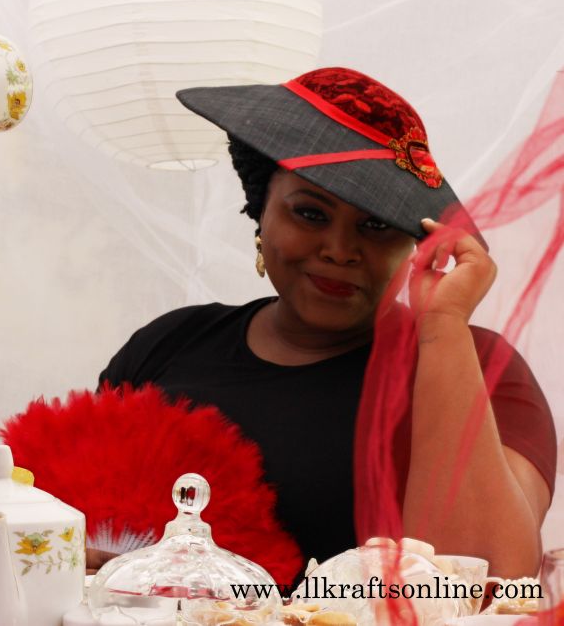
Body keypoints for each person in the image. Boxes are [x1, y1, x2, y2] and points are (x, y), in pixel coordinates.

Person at [94, 67, 557, 584]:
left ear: (415, 243)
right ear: (260, 213)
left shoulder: (480, 366)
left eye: (375, 225)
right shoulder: (169, 345)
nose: (339, 250)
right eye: (310, 214)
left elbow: (488, 583)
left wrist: (444, 326)